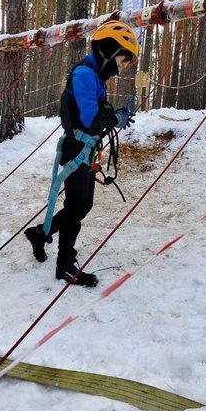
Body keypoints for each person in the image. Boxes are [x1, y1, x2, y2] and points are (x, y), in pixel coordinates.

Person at [25, 20, 139, 287]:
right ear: (110, 50)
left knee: (81, 205)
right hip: (77, 150)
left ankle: (41, 234)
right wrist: (116, 119)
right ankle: (65, 264)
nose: (121, 70)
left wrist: (114, 116)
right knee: (78, 207)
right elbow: (90, 117)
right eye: (122, 62)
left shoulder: (93, 77)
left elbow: (93, 114)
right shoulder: (85, 75)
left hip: (83, 150)